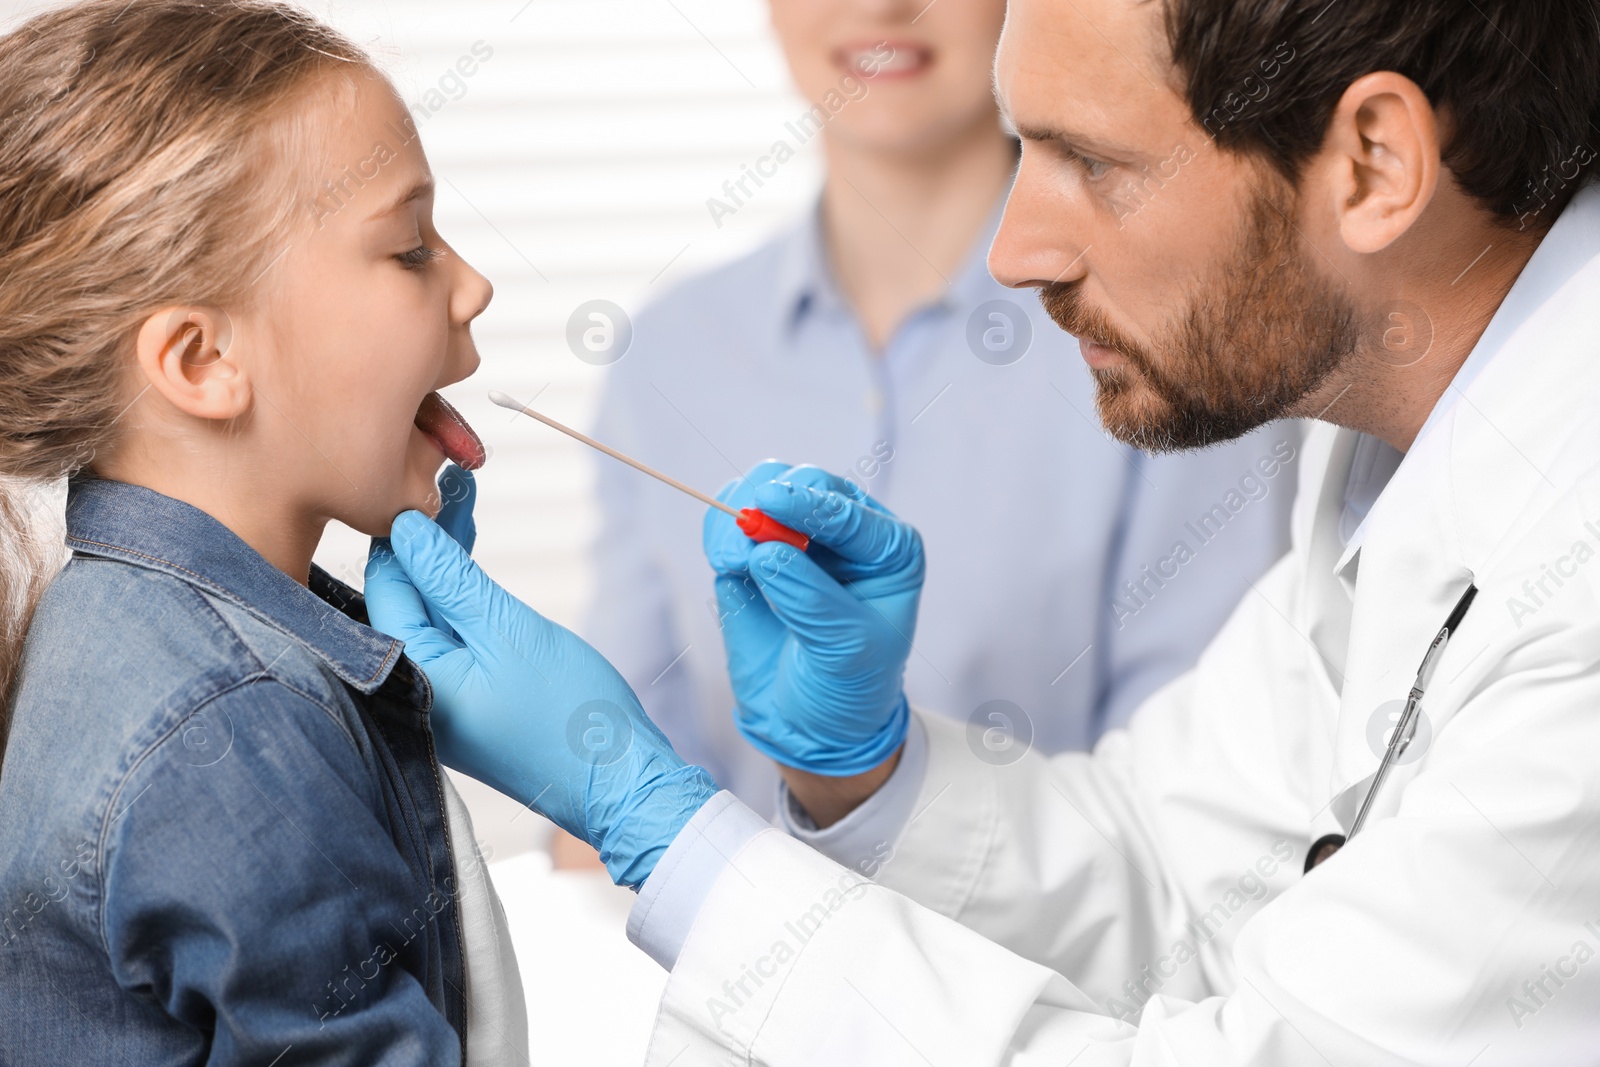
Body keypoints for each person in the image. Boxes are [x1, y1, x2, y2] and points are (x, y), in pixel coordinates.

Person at [365, 0, 1600, 1062]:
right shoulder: (1379, 443)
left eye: (1092, 161)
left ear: (1374, 165)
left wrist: (671, 838)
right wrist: (868, 768)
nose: (1012, 253)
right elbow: (1178, 875)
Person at [584, 0, 1298, 816]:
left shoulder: (1174, 332)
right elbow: (620, 779)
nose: (883, 7)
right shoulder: (665, 354)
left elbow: (1190, 807)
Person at [0, 2, 526, 1062]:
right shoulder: (226, 727)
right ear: (201, 363)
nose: (474, 283)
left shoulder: (151, 638)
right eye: (410, 246)